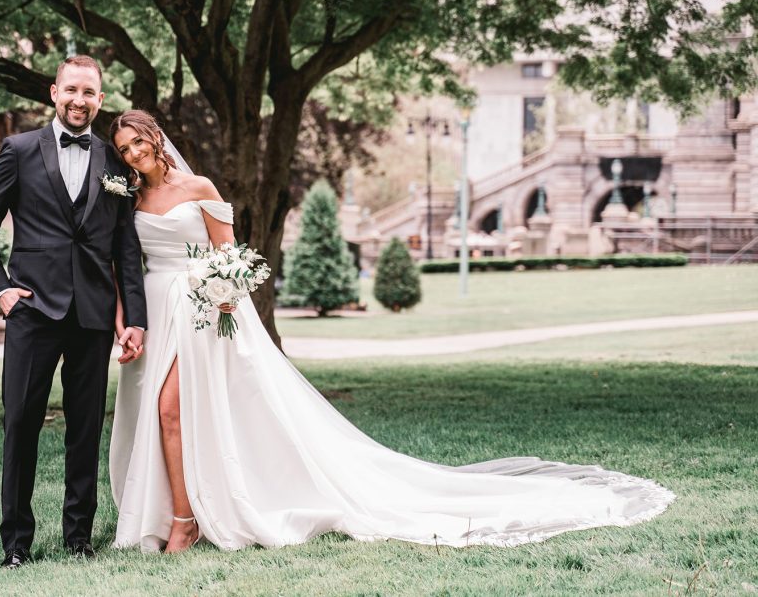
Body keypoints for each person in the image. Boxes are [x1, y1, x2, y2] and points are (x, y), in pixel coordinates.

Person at [107, 109, 674, 554]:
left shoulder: (200, 188)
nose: (134, 154)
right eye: (125, 150)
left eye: (139, 142)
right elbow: (121, 261)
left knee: (180, 410)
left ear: (157, 139)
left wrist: (224, 294)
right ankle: (172, 512)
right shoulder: (131, 197)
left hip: (208, 311)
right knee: (170, 414)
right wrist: (124, 317)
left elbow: (227, 254)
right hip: (155, 308)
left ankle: (188, 520)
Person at [0, 56, 147, 569]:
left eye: (89, 93)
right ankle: (17, 545)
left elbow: (125, 249)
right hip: (31, 313)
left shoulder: (116, 164)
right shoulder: (20, 150)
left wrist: (134, 317)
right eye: (71, 90)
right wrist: (0, 289)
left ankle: (78, 538)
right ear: (53, 92)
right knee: (21, 423)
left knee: (84, 428)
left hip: (93, 315)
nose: (79, 101)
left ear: (100, 99)